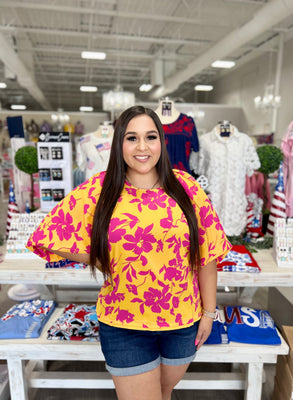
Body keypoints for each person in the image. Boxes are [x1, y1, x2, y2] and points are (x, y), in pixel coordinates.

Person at [26, 105, 231, 400]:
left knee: (163, 393)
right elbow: (47, 235)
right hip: (125, 323)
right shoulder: (101, 189)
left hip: (183, 323)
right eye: (132, 138)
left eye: (151, 137)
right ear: (119, 143)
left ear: (162, 141)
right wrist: (100, 256)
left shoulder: (187, 187)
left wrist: (209, 313)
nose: (143, 147)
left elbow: (207, 254)